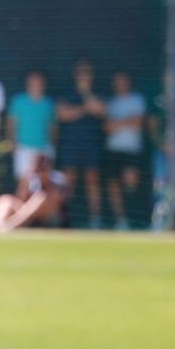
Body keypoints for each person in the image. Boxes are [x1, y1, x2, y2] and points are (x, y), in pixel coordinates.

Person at [57, 58, 107, 228]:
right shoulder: (67, 93)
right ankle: (64, 219)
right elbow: (63, 114)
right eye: (81, 73)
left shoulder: (98, 92)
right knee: (67, 181)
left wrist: (86, 95)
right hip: (71, 143)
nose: (84, 76)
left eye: (87, 73)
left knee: (92, 180)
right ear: (75, 75)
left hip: (91, 144)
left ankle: (96, 219)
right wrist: (85, 109)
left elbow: (101, 110)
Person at [103, 71, 146, 231]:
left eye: (123, 80)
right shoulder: (111, 102)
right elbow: (107, 128)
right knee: (113, 185)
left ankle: (135, 215)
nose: (120, 83)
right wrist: (126, 121)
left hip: (132, 151)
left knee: (131, 181)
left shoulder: (137, 99)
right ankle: (122, 220)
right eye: (117, 80)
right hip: (113, 151)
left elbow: (138, 123)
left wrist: (118, 123)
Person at [0, 151, 68, 232]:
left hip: (51, 217)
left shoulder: (58, 178)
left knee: (40, 197)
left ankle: (9, 225)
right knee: (5, 199)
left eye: (43, 168)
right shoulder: (30, 178)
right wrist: (27, 179)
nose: (40, 172)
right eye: (38, 168)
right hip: (27, 216)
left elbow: (59, 201)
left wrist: (47, 183)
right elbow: (21, 198)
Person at [6, 70, 57, 180]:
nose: (35, 86)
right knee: (23, 183)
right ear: (27, 84)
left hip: (44, 150)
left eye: (38, 83)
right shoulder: (18, 101)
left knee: (43, 185)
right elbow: (11, 123)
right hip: (23, 149)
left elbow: (52, 127)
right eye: (32, 83)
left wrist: (51, 148)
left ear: (43, 85)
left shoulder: (49, 104)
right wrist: (12, 143)